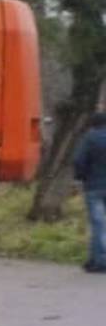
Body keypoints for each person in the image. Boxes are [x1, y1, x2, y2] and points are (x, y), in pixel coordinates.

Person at [73, 109, 106, 274]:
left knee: (98, 224)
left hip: (94, 186)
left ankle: (100, 261)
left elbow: (79, 160)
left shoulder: (90, 137)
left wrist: (80, 177)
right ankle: (94, 260)